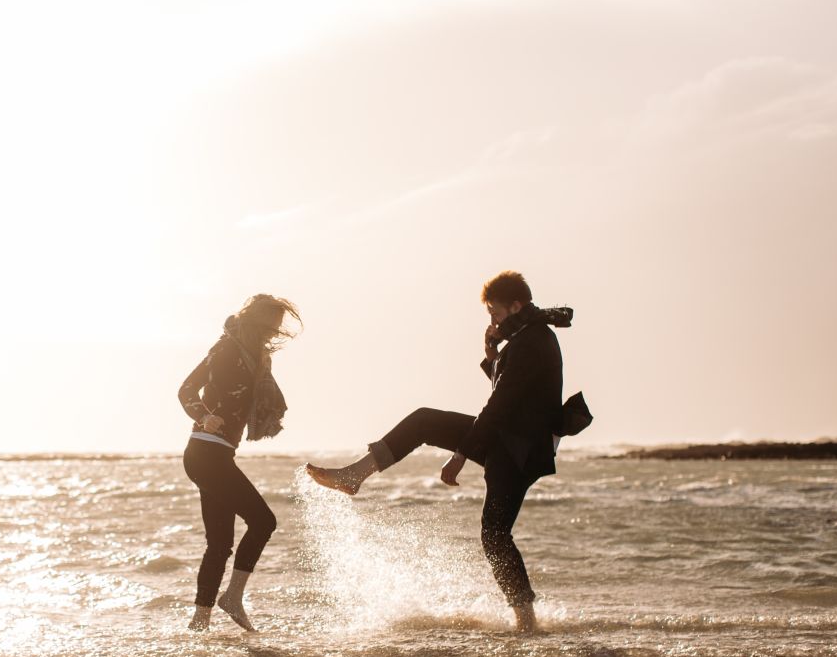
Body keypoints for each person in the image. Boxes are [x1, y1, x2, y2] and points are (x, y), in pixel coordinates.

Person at [306, 271, 569, 632]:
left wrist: (461, 452)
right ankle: (356, 475)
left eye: (494, 312)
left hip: (518, 450)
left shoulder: (533, 341)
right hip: (510, 441)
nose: (491, 319)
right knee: (424, 422)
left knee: (494, 534)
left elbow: (501, 403)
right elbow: (507, 393)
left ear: (516, 306)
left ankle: (526, 621)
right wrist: (491, 355)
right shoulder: (528, 337)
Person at [178, 294, 301, 632]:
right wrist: (204, 417)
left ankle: (199, 622)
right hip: (205, 451)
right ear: (255, 322)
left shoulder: (256, 357)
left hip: (216, 454)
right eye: (269, 327)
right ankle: (232, 598)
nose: (273, 334)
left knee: (219, 544)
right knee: (264, 522)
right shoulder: (226, 349)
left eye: (276, 329)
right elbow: (186, 390)